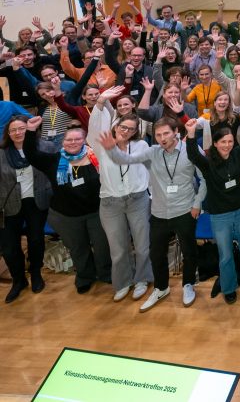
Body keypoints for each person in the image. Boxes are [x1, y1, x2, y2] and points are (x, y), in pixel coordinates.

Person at [102, 117, 205, 312]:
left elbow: (204, 178)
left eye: (166, 133)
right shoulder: (152, 152)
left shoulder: (190, 150)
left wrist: (197, 203)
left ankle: (188, 284)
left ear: (176, 132)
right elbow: (126, 160)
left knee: (189, 251)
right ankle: (161, 287)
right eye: (158, 135)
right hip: (159, 212)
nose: (162, 138)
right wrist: (112, 149)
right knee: (156, 254)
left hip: (185, 209)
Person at [22, 116, 111, 294]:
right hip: (66, 216)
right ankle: (85, 276)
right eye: (69, 140)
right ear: (62, 142)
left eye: (77, 139)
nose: (73, 143)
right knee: (78, 248)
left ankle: (105, 273)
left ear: (84, 140)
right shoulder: (53, 160)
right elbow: (31, 154)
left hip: (96, 212)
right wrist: (30, 132)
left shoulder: (97, 158)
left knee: (102, 246)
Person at [185, 105, 240, 304]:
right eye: (223, 142)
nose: (227, 145)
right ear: (216, 144)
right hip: (220, 216)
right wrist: (191, 134)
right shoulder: (208, 163)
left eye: (230, 141)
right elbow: (193, 155)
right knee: (225, 256)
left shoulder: (237, 154)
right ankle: (229, 288)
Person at [88, 87, 153, 303]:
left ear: (136, 132)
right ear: (116, 126)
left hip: (137, 200)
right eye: (123, 126)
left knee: (142, 244)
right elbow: (93, 129)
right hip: (110, 203)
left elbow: (151, 171)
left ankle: (142, 279)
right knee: (118, 248)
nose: (126, 131)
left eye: (131, 129)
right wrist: (100, 103)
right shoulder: (101, 145)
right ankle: (123, 282)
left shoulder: (141, 145)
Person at [0, 116, 52, 302]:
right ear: (8, 133)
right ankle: (18, 280)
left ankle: (36, 274)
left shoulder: (43, 147)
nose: (17, 133)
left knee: (36, 239)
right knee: (9, 247)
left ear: (29, 128)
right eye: (13, 130)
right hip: (8, 204)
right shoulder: (2, 152)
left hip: (36, 201)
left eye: (21, 128)